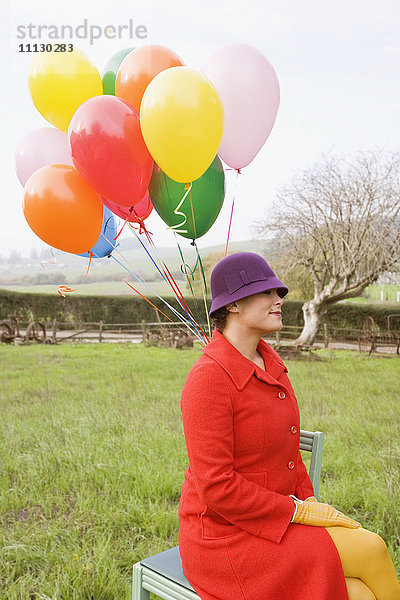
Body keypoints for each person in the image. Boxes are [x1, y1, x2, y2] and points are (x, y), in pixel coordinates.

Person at [178, 252, 400, 600]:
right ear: (233, 304)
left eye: (277, 292)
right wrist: (300, 510)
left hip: (277, 516)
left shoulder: (271, 364)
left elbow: (289, 456)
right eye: (267, 292)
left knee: (363, 589)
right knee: (371, 549)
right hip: (224, 537)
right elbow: (217, 489)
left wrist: (310, 506)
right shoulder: (208, 380)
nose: (279, 299)